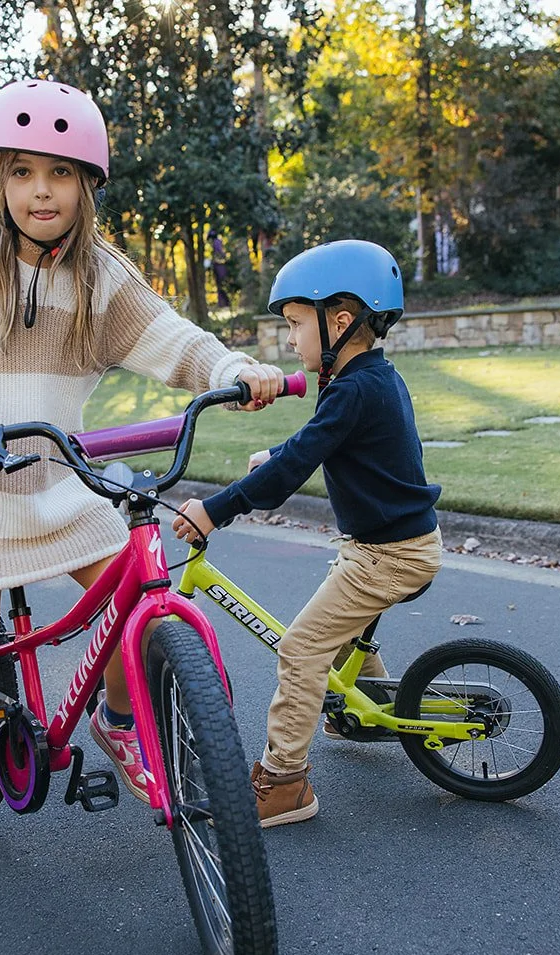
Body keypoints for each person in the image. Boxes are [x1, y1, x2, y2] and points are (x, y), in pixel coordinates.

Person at [0, 79, 285, 882]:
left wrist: (233, 366)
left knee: (135, 590)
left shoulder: (99, 276)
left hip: (63, 485)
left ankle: (119, 717)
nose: (42, 189)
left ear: (86, 187)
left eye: (61, 173)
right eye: (24, 170)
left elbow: (170, 337)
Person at [170, 240, 443, 827]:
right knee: (333, 626)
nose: (291, 339)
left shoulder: (354, 388)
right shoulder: (369, 379)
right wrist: (276, 454)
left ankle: (284, 783)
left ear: (340, 322)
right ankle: (364, 706)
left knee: (300, 648)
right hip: (385, 545)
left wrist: (216, 509)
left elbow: (302, 461)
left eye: (296, 324)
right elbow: (323, 444)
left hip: (387, 556)